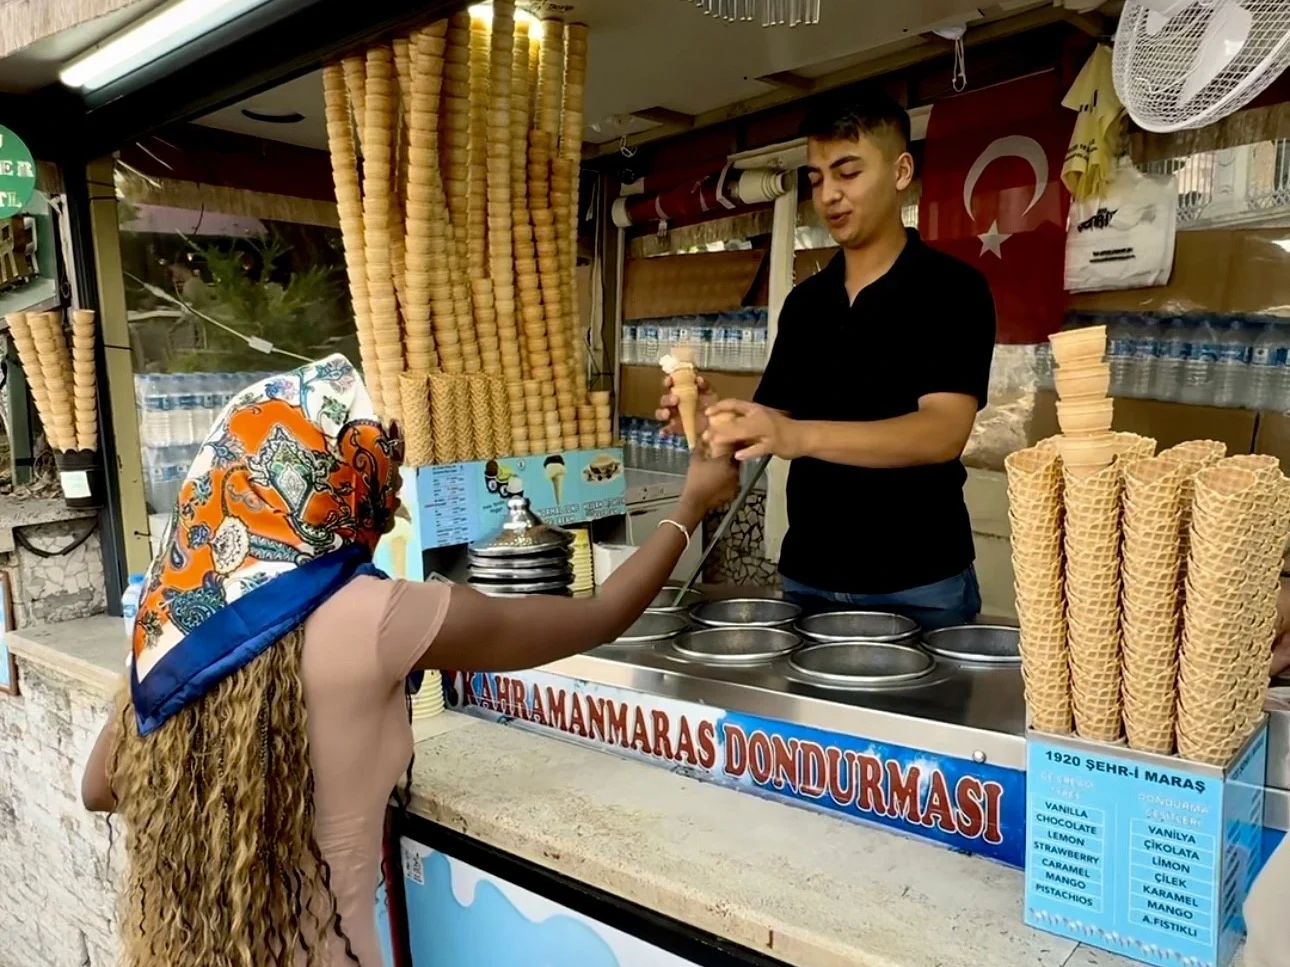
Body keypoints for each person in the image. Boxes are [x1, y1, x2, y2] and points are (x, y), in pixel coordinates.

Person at [80, 355, 738, 967]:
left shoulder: (181, 627)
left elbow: (99, 787)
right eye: (373, 465)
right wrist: (691, 504)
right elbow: (599, 616)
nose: (393, 495)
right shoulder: (375, 617)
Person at [659, 93, 995, 629]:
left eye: (848, 172)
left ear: (901, 171)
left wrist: (798, 437)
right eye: (817, 179)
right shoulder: (807, 304)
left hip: (920, 582)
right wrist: (712, 416)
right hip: (809, 578)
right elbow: (772, 423)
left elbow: (942, 433)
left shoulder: (952, 290)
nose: (829, 194)